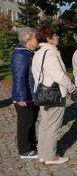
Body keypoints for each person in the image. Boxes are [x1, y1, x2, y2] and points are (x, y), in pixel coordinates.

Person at [32, 26, 76, 165]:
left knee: (45, 124)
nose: (58, 37)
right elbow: (60, 76)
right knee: (53, 126)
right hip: (54, 94)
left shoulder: (38, 53)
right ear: (48, 38)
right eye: (55, 35)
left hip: (43, 93)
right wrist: (72, 87)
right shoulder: (50, 53)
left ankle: (44, 155)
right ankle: (51, 157)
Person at [11, 27, 40, 159]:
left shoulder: (28, 53)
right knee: (25, 123)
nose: (37, 40)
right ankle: (24, 150)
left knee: (31, 122)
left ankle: (32, 146)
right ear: (28, 40)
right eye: (35, 38)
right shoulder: (20, 54)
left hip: (31, 94)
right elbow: (18, 76)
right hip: (25, 96)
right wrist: (20, 97)